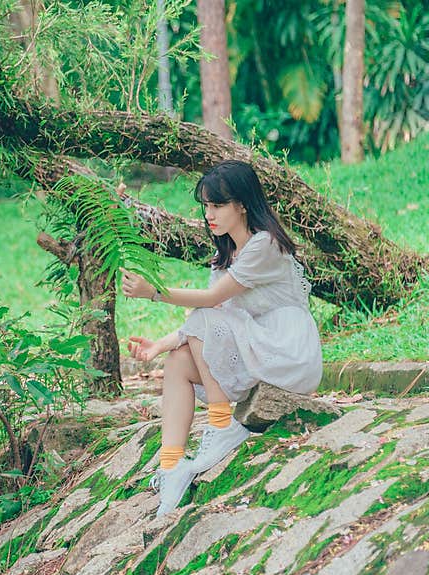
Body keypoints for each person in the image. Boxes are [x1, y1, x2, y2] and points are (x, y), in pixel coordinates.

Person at [120, 160, 323, 517]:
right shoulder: (227, 255)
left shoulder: (264, 246)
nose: (209, 214)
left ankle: (221, 423)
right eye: (206, 206)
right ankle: (171, 465)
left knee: (204, 315)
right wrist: (159, 346)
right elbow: (209, 319)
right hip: (258, 344)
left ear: (242, 204)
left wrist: (154, 293)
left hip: (288, 349)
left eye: (218, 205)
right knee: (178, 361)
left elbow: (211, 304)